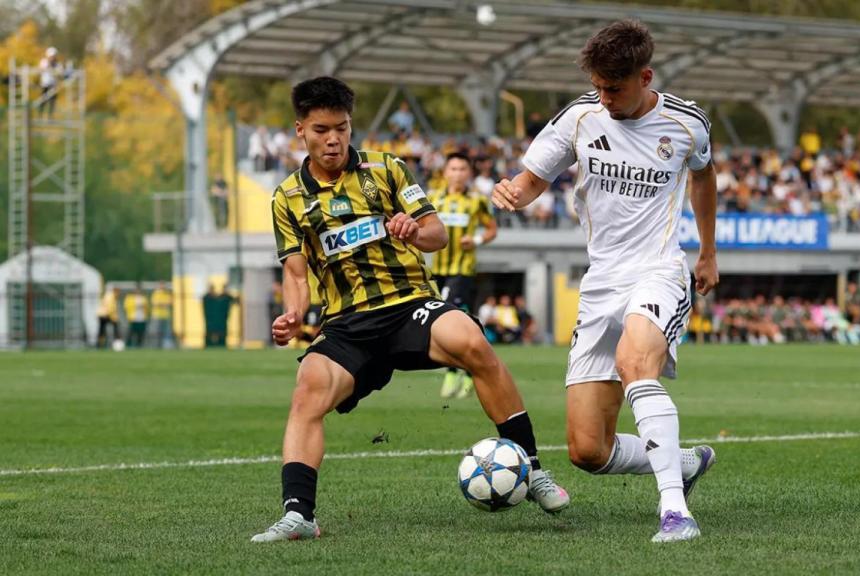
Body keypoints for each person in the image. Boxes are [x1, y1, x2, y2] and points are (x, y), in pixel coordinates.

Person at [251, 77, 569, 543]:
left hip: (409, 305)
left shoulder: (386, 169)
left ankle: (533, 469)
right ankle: (299, 515)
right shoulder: (287, 198)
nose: (334, 138)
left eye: (341, 127)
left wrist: (412, 231)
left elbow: (437, 234)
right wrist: (292, 314)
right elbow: (297, 274)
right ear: (301, 130)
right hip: (347, 324)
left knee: (472, 341)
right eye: (321, 129)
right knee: (308, 391)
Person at [491, 20, 719, 543]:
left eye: (613, 88)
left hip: (659, 270)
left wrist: (707, 252)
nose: (604, 97)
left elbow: (704, 176)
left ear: (646, 76)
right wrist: (514, 194)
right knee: (588, 450)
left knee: (635, 362)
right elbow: (532, 180)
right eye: (597, 86)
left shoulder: (687, 123)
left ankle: (675, 513)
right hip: (600, 282)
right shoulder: (579, 117)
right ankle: (682, 461)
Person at [429, 152, 498, 399]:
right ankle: (470, 370)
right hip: (438, 270)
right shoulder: (433, 198)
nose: (457, 173)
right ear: (445, 172)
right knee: (464, 320)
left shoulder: (477, 200)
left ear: (469, 173)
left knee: (446, 316)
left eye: (462, 169)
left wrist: (477, 239)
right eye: (453, 168)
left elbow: (492, 229)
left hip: (462, 269)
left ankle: (451, 370)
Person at [124, 283, 149, 348]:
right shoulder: (130, 297)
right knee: (131, 333)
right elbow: (126, 306)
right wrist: (135, 306)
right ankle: (128, 345)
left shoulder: (144, 298)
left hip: (142, 318)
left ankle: (139, 345)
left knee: (140, 333)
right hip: (133, 318)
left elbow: (147, 307)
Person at [150, 282, 174, 349]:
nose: (162, 286)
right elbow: (155, 303)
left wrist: (161, 304)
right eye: (161, 285)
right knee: (157, 332)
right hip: (157, 316)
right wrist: (163, 304)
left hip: (166, 316)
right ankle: (156, 346)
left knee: (166, 332)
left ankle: (166, 346)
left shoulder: (167, 294)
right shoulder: (156, 294)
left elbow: (170, 303)